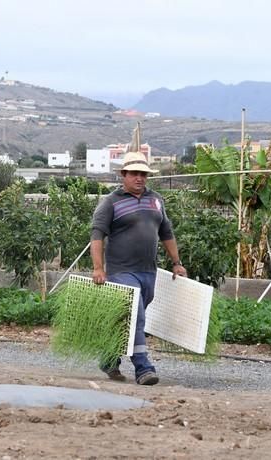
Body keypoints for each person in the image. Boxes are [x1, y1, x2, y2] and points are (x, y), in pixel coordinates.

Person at [90, 151, 186, 385]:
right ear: (123, 175)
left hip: (148, 272)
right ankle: (143, 368)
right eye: (134, 173)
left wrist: (176, 263)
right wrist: (98, 268)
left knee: (126, 319)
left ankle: (109, 359)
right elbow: (97, 235)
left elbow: (166, 233)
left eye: (143, 174)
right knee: (136, 315)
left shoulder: (156, 200)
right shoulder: (111, 202)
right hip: (121, 271)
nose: (139, 178)